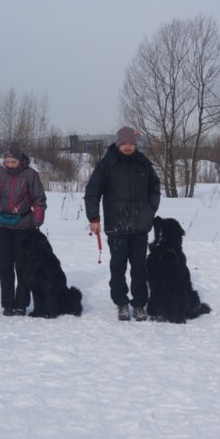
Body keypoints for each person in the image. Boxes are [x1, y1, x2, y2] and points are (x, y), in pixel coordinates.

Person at [85, 126, 160, 321]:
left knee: (139, 267)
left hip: (140, 225)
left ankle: (139, 304)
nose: (128, 147)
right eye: (124, 143)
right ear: (118, 144)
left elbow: (155, 187)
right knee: (118, 266)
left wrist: (150, 210)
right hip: (116, 225)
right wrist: (94, 218)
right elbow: (92, 192)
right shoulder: (107, 164)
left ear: (135, 144)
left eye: (131, 143)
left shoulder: (143, 163)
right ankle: (121, 303)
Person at [0, 143, 46, 316]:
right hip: (3, 225)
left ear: (20, 160)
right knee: (4, 266)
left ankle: (21, 303)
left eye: (13, 161)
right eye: (8, 161)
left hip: (24, 226)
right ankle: (7, 303)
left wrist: (36, 222)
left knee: (22, 266)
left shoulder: (30, 175)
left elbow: (39, 200)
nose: (10, 164)